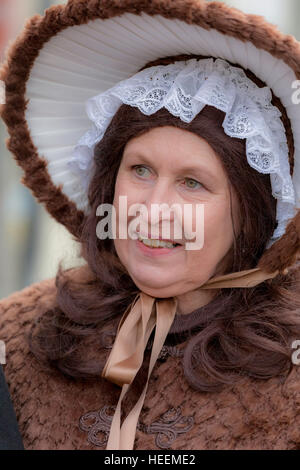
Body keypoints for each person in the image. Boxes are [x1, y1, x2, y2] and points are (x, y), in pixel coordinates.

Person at [0, 0, 299, 450]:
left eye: (193, 183)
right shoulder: (18, 338)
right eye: (140, 170)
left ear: (253, 214)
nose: (153, 209)